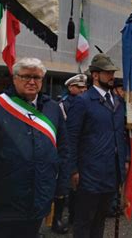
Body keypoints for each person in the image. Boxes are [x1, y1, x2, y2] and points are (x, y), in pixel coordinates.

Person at [0, 58, 69, 238]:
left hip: (39, 200)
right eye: (25, 77)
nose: (32, 82)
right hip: (4, 202)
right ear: (14, 78)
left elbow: (63, 150)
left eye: (37, 77)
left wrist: (61, 188)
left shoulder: (53, 109)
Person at [67, 53, 128, 238]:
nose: (112, 76)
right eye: (107, 72)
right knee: (84, 221)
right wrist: (73, 169)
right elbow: (71, 137)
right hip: (90, 172)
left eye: (112, 72)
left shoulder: (117, 101)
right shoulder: (82, 101)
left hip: (111, 172)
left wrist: (124, 161)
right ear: (95, 75)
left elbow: (121, 135)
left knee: (101, 219)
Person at [56, 73, 88, 233]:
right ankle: (58, 219)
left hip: (81, 150)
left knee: (77, 187)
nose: (83, 90)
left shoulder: (86, 103)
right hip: (66, 149)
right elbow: (65, 131)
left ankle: (75, 216)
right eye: (79, 87)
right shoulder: (63, 104)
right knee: (64, 185)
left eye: (84, 87)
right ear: (70, 87)